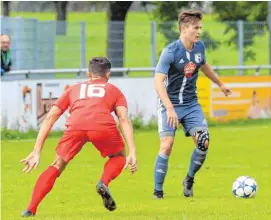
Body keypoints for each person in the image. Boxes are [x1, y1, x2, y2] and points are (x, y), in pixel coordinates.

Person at [20, 57, 138, 217]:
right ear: (108, 74)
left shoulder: (73, 89)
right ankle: (103, 182)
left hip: (76, 125)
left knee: (57, 164)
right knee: (118, 156)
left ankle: (30, 209)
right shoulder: (114, 90)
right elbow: (123, 119)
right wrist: (132, 151)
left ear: (89, 73)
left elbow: (50, 117)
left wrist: (36, 151)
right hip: (102, 125)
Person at [153, 10, 232, 199]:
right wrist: (170, 108)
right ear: (183, 29)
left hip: (190, 104)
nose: (199, 31)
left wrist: (220, 84)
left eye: (200, 28)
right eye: (196, 28)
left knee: (203, 142)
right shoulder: (170, 52)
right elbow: (157, 82)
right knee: (167, 144)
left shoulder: (199, 47)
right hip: (169, 105)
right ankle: (158, 192)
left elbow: (204, 66)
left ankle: (189, 179)